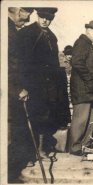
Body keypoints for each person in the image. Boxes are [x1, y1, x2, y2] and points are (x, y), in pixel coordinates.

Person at [17, 8, 71, 158]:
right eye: (42, 17)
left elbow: (53, 63)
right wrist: (22, 86)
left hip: (47, 86)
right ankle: (27, 154)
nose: (45, 21)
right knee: (28, 119)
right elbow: (20, 63)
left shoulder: (52, 37)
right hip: (30, 85)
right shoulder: (26, 33)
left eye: (49, 18)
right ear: (37, 16)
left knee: (44, 117)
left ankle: (40, 150)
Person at [69, 20, 93, 155]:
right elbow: (77, 62)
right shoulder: (82, 43)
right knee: (81, 118)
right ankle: (75, 147)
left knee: (88, 117)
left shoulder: (87, 44)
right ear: (88, 31)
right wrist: (89, 79)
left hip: (87, 88)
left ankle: (83, 145)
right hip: (82, 88)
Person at [8, 7, 34, 182]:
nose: (25, 23)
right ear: (16, 11)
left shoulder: (11, 30)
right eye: (24, 18)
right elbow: (8, 67)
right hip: (9, 93)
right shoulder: (8, 33)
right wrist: (18, 89)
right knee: (9, 137)